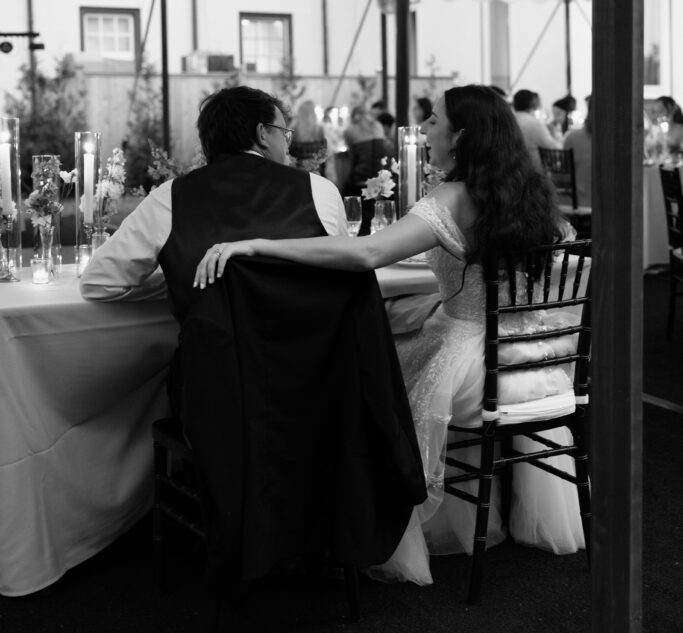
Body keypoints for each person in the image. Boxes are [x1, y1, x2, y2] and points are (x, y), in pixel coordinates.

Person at [194, 85, 584, 585]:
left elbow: (364, 255)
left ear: (461, 136)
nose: (423, 130)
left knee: (366, 367)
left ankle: (352, 515)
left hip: (472, 365)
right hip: (536, 361)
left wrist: (257, 245)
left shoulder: (451, 197)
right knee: (403, 323)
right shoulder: (531, 194)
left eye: (434, 121)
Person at [80, 85, 347, 322]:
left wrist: (185, 279)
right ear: (263, 134)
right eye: (284, 134)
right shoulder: (319, 191)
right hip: (314, 370)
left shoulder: (169, 197)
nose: (287, 146)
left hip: (213, 373)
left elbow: (98, 282)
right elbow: (345, 271)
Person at [512, 89, 560, 169]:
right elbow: (553, 149)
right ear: (534, 104)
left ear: (514, 105)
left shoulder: (509, 121)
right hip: (532, 172)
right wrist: (553, 135)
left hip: (512, 170)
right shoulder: (535, 124)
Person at [563, 95, 592, 207]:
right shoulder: (616, 141)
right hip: (611, 203)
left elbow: (564, 173)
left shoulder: (572, 138)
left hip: (576, 202)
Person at [288, 99, 327, 173]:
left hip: (299, 171)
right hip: (316, 171)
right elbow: (323, 152)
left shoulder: (295, 129)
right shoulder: (319, 129)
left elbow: (288, 152)